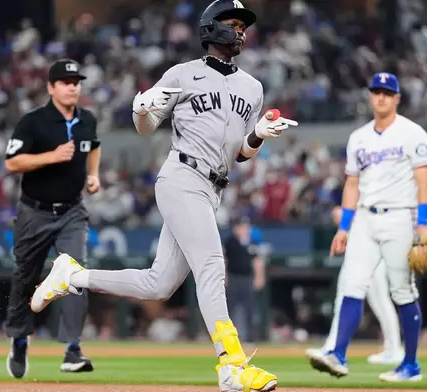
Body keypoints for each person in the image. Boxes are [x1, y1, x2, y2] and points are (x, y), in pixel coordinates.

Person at [30, 1, 297, 391]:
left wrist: (258, 135)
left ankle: (72, 274)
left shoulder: (252, 88)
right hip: (182, 176)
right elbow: (146, 124)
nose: (240, 30)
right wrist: (140, 109)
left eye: (243, 25)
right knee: (210, 266)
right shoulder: (182, 74)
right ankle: (232, 365)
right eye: (233, 23)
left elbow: (240, 153)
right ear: (211, 27)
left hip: (212, 187)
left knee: (158, 284)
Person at [314, 72, 427, 382]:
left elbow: (424, 182)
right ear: (370, 97)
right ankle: (337, 354)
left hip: (400, 217)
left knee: (402, 291)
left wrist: (422, 224)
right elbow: (352, 185)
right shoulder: (358, 137)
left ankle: (410, 365)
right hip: (365, 218)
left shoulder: (413, 133)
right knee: (352, 284)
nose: (380, 97)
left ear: (397, 98)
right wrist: (344, 228)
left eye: (386, 92)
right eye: (376, 92)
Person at [4, 58, 102, 378]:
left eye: (76, 81)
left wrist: (93, 174)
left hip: (72, 211)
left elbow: (94, 147)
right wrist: (52, 156)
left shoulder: (87, 119)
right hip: (35, 211)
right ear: (50, 87)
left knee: (75, 275)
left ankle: (72, 348)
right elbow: (12, 163)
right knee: (25, 277)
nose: (72, 86)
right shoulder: (33, 121)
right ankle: (20, 337)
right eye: (65, 81)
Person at [306, 206, 403, 367]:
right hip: (361, 254)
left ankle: (394, 349)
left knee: (380, 302)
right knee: (345, 298)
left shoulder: (367, 203)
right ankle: (332, 345)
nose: (336, 219)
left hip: (374, 255)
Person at [224, 216, 266, 343]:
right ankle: (230, 339)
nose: (243, 229)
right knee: (231, 308)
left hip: (247, 278)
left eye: (245, 227)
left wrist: (259, 277)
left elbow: (257, 261)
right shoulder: (230, 242)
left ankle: (250, 338)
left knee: (249, 308)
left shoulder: (253, 242)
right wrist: (224, 277)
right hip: (234, 277)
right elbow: (224, 260)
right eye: (241, 227)